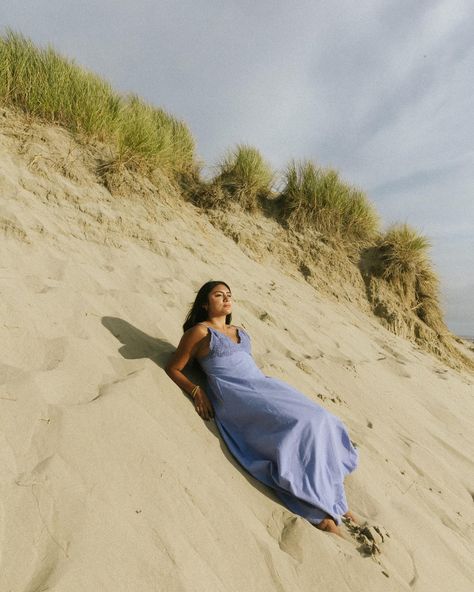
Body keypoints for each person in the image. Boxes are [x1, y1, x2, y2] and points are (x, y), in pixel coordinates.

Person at [165, 281, 359, 535]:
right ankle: (315, 508)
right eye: (218, 295)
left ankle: (335, 499)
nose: (226, 299)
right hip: (237, 395)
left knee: (324, 419)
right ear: (205, 303)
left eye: (229, 295)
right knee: (301, 426)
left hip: (262, 385)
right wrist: (196, 390)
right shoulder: (199, 333)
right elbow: (173, 368)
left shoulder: (241, 332)